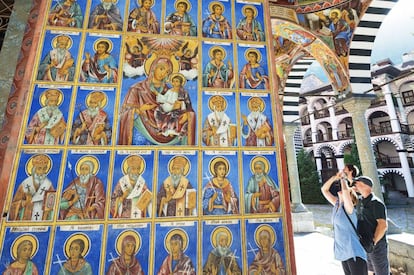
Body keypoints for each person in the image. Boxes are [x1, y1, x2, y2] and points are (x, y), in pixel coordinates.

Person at [119, 56, 196, 145]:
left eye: (167, 72)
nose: (163, 73)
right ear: (153, 68)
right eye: (161, 69)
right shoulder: (137, 89)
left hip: (169, 128)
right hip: (143, 131)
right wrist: (139, 110)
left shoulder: (171, 91)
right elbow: (124, 113)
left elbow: (186, 110)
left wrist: (186, 114)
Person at [321, 171, 368, 275]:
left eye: (345, 191)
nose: (341, 190)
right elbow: (324, 190)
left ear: (350, 198)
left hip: (354, 251)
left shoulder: (349, 209)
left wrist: (343, 179)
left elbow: (345, 191)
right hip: (343, 252)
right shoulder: (337, 205)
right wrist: (334, 177)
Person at [353, 176, 389, 275]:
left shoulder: (376, 203)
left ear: (366, 186)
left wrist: (373, 242)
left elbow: (383, 225)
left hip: (376, 245)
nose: (355, 186)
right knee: (369, 270)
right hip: (365, 243)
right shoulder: (360, 201)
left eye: (358, 184)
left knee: (381, 272)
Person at [9, 154, 55, 221]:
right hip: (26, 216)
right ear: (33, 169)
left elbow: (51, 205)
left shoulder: (48, 184)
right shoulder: (25, 184)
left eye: (44, 168)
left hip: (42, 218)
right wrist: (24, 203)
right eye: (39, 168)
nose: (42, 172)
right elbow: (13, 205)